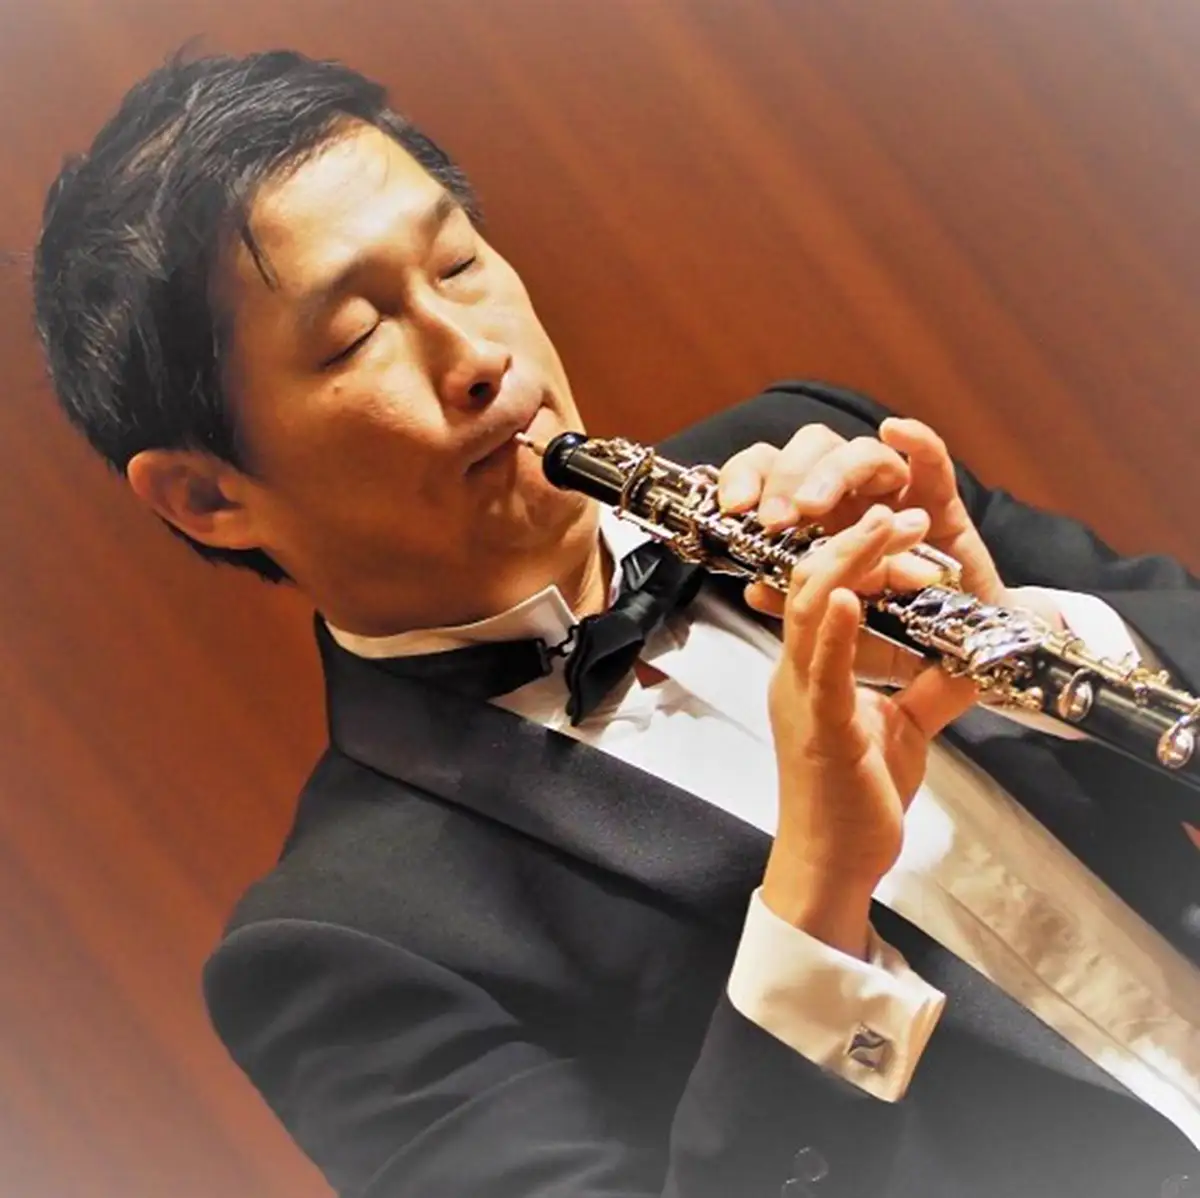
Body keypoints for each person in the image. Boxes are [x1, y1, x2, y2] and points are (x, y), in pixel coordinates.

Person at [33, 48, 1200, 1198]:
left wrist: (1026, 639)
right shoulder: (338, 952)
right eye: (352, 336)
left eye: (458, 261)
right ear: (209, 495)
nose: (479, 356)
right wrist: (815, 901)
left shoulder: (814, 450)